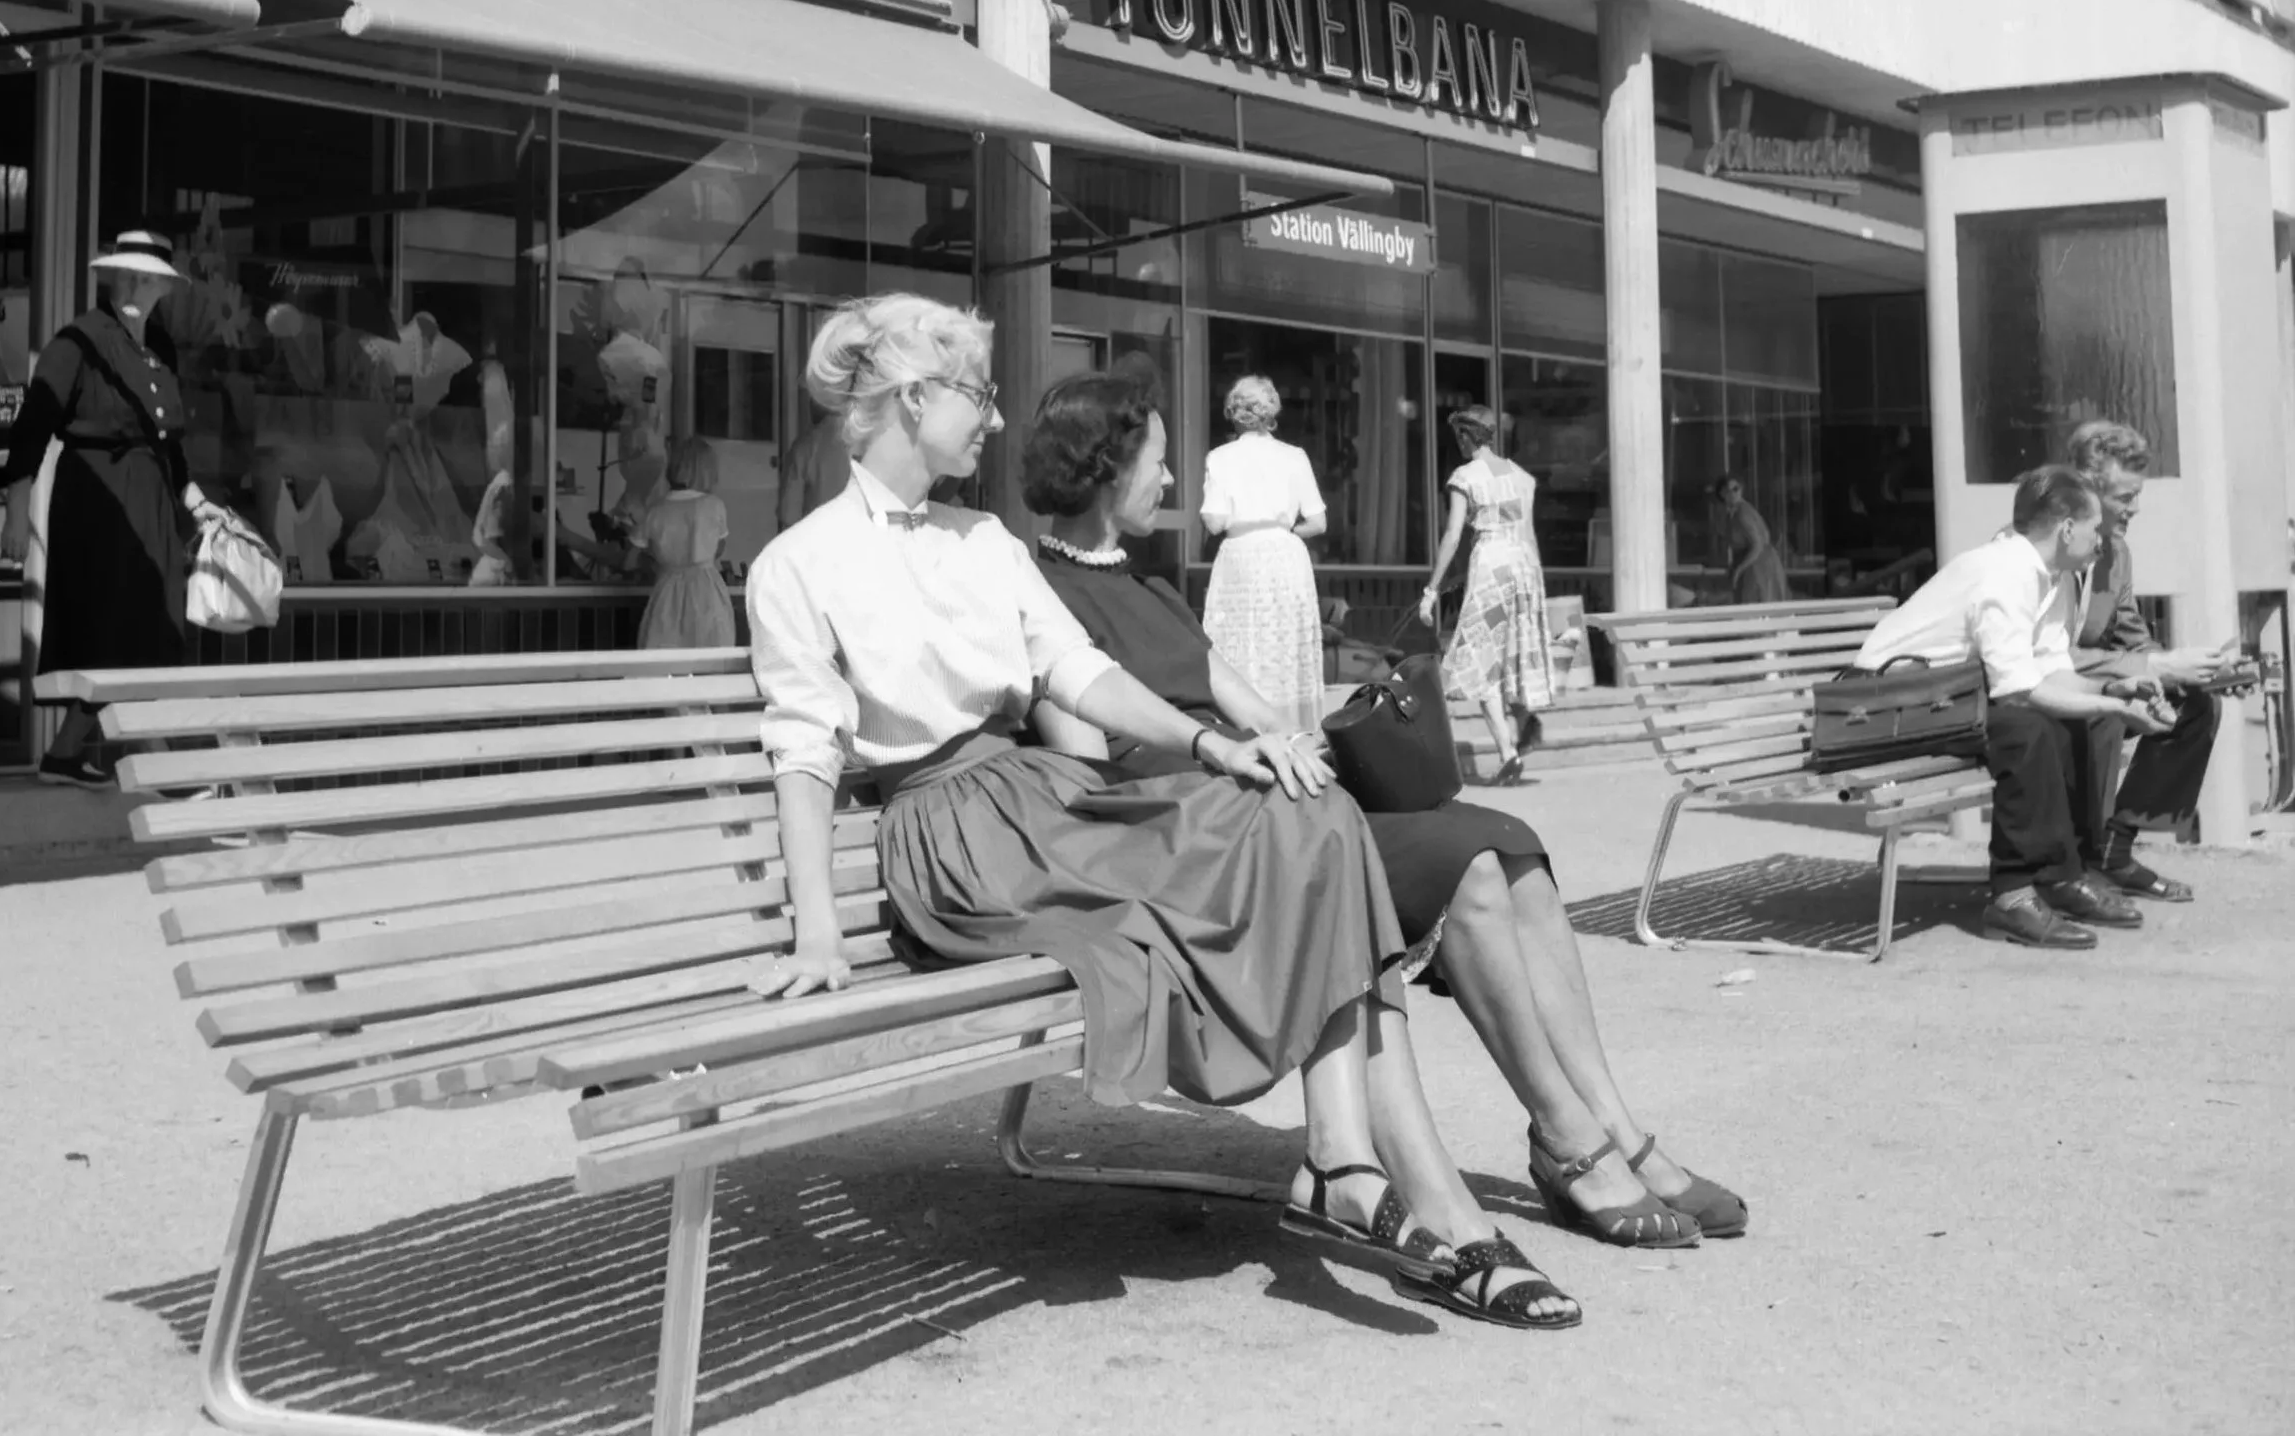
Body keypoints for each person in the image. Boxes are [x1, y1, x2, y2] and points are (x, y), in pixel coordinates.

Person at [746, 294, 1580, 1329]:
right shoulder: (800, 561)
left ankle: (1342, 1155)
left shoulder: (983, 539)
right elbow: (803, 750)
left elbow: (1079, 670)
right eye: (978, 394)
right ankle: (1413, 1193)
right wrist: (817, 932)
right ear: (915, 399)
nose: (995, 418)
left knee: (1308, 813)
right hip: (953, 835)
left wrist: (1216, 744)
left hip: (1045, 802)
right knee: (1270, 841)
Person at [1024, 369, 1745, 1249]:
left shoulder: (1154, 589)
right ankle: (1570, 1142)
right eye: (1158, 460)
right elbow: (1088, 779)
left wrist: (1303, 746)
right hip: (1209, 839)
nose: (1172, 479)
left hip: (1272, 801)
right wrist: (1235, 767)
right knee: (1469, 872)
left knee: (1510, 844)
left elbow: (1249, 704)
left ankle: (1617, 1130)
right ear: (1106, 466)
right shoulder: (1038, 597)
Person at [1852, 466, 2177, 950]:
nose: (2101, 539)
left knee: (2070, 722)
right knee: (2023, 729)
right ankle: (2013, 894)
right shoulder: (2005, 571)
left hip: (1941, 697)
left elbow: (2051, 672)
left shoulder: (2050, 577)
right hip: (1882, 704)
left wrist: (2114, 691)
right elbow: (2017, 692)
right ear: (2067, 529)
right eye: (2094, 528)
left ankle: (2060, 876)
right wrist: (2113, 706)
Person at [2, 231, 213, 787]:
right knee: (115, 628)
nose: (134, 287)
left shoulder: (160, 347)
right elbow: (34, 422)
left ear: (165, 288)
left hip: (152, 502)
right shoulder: (79, 340)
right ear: (111, 277)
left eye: (147, 279)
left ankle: (65, 752)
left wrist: (193, 498)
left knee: (150, 628)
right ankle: (158, 764)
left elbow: (168, 441)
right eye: (127, 275)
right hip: (98, 503)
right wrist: (16, 508)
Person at [2062, 421, 2257, 901]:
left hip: (2091, 681)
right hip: (2035, 690)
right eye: (2125, 497)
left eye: (2137, 495)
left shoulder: (2117, 554)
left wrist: (2202, 673)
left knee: (2194, 704)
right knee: (2108, 710)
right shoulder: (2044, 549)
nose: (2136, 508)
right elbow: (2042, 656)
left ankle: (2115, 848)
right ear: (2087, 492)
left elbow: (2133, 641)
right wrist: (2153, 670)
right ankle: (2075, 863)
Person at [1422, 406, 1565, 788]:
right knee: (1514, 656)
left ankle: (1508, 755)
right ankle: (1524, 721)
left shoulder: (1466, 476)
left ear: (1466, 436)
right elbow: (1527, 533)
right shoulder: (1521, 477)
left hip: (1491, 568)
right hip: (1525, 568)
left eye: (1459, 436)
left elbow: (1453, 535)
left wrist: (1432, 589)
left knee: (1482, 661)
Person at [1197, 375, 1328, 736]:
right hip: (1287, 557)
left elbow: (1214, 521)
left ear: (1234, 413)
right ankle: (1296, 733)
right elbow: (1318, 522)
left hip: (1241, 557)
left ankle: (1242, 731)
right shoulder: (1294, 456)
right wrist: (1284, 534)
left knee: (1242, 647)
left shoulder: (1221, 457)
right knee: (1284, 652)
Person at [635, 436, 736, 651]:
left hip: (667, 589)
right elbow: (719, 549)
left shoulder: (655, 510)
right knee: (711, 653)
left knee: (664, 652)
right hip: (707, 589)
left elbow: (633, 558)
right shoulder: (713, 505)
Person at [1712, 473, 1788, 604]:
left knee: (1755, 605)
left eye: (1736, 489)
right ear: (1722, 494)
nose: (1734, 493)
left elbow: (1757, 544)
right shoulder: (1733, 513)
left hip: (1757, 564)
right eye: (1730, 490)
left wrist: (1739, 569)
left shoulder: (1743, 512)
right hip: (1753, 563)